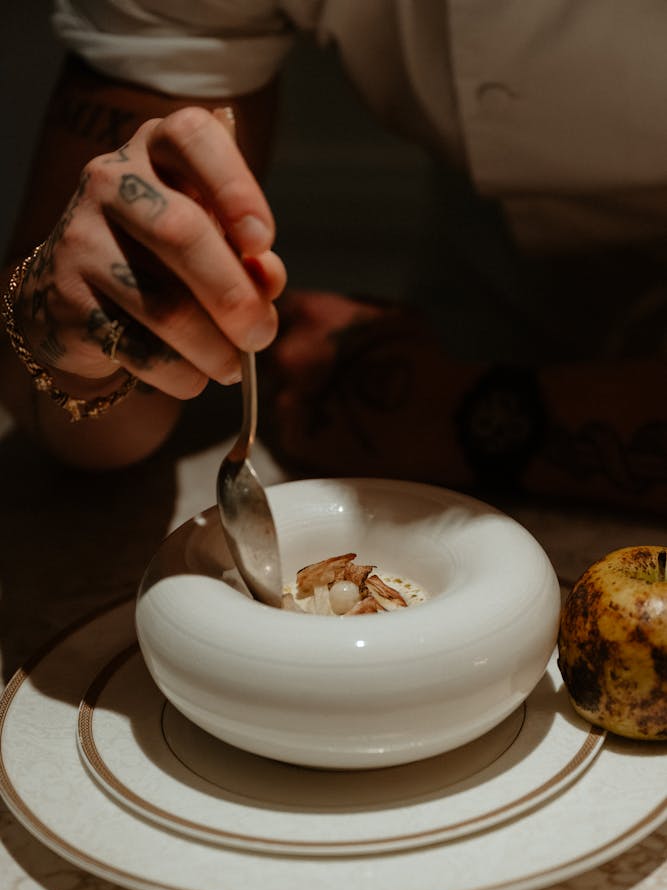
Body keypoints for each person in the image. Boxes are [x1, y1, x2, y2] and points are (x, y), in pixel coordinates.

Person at [1, 1, 665, 513]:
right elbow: (67, 413)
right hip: (475, 310)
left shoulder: (418, 401)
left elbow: (437, 412)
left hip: (423, 391)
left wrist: (463, 413)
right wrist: (67, 333)